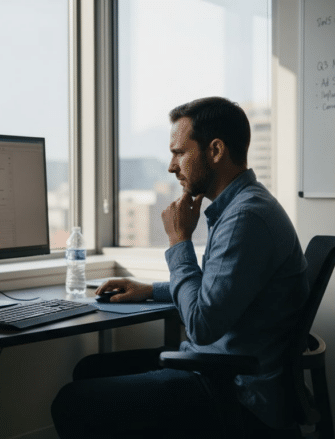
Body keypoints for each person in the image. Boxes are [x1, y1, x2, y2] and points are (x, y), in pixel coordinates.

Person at [51, 97, 309, 438]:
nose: (172, 166)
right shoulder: (242, 206)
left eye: (180, 153)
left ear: (215, 150)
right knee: (90, 369)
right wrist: (150, 289)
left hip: (235, 390)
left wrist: (178, 241)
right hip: (223, 367)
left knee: (73, 402)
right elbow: (217, 294)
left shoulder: (245, 218)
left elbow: (202, 324)